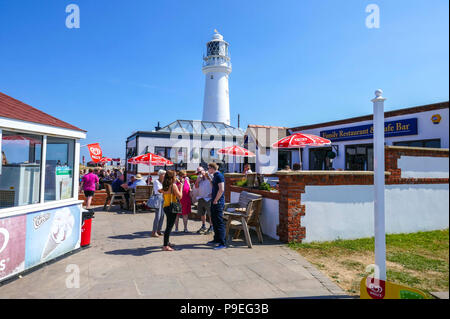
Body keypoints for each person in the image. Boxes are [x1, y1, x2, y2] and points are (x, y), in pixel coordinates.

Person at [161, 170, 183, 251]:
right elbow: (180, 196)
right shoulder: (173, 185)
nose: (176, 177)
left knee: (168, 225)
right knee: (169, 227)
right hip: (172, 207)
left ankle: (167, 242)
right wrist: (181, 187)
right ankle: (165, 246)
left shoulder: (165, 184)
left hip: (166, 206)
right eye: (175, 176)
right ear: (172, 177)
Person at [207, 162, 227, 250]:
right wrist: (209, 180)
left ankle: (223, 243)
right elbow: (215, 187)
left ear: (212, 168)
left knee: (219, 222)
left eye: (208, 168)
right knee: (214, 221)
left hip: (218, 203)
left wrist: (216, 199)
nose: (208, 170)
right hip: (214, 202)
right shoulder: (215, 176)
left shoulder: (219, 176)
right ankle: (216, 239)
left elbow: (221, 189)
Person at [195, 166, 213, 234]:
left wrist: (212, 193)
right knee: (202, 214)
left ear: (204, 171)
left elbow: (215, 185)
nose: (199, 174)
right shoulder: (199, 178)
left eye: (200, 172)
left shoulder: (210, 176)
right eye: (198, 173)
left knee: (210, 214)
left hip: (208, 199)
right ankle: (203, 225)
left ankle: (211, 227)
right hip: (201, 197)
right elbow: (196, 187)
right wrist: (197, 180)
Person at [151, 169, 166, 238]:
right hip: (158, 198)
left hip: (163, 198)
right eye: (163, 174)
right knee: (158, 216)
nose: (164, 175)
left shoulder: (163, 181)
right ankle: (154, 231)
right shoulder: (156, 182)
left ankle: (159, 230)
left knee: (162, 215)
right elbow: (159, 190)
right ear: (160, 175)